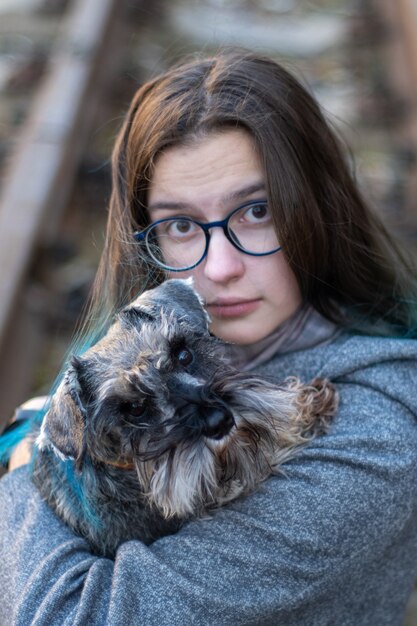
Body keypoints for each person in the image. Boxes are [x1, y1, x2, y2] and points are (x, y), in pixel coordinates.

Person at [1, 49, 417, 625]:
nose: (219, 268)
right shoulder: (144, 342)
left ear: (317, 208)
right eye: (180, 225)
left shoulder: (375, 438)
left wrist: (25, 464)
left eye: (257, 211)